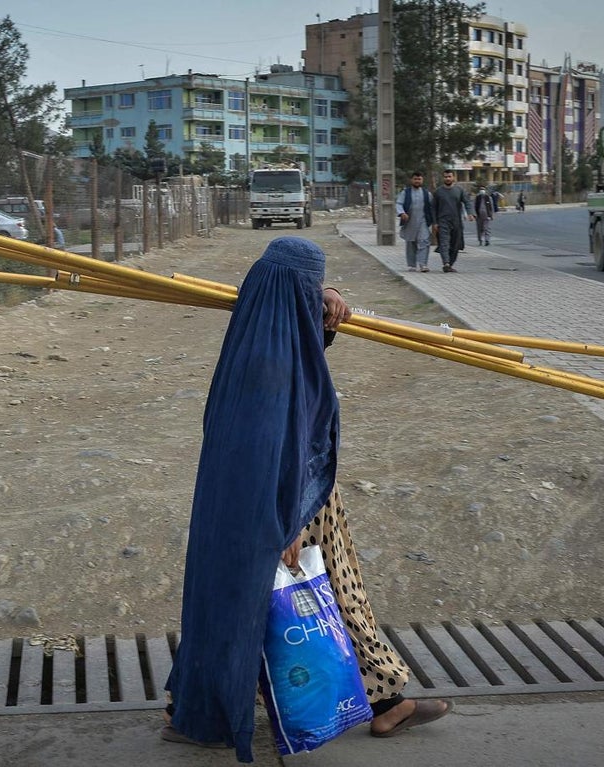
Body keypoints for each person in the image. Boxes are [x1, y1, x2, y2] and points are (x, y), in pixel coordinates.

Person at [162, 237, 452, 760]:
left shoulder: (266, 332)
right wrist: (287, 524)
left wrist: (325, 312)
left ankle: (190, 707)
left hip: (281, 496)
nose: (319, 297)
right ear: (296, 292)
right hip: (288, 502)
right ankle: (383, 699)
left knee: (246, 601)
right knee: (316, 598)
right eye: (311, 289)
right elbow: (272, 444)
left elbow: (303, 363)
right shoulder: (269, 369)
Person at [432, 170, 474, 273]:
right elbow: (433, 208)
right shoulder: (438, 192)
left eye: (449, 176)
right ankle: (446, 263)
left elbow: (467, 202)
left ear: (453, 177)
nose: (447, 178)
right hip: (443, 221)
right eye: (445, 177)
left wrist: (470, 213)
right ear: (443, 178)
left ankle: (450, 264)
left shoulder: (459, 190)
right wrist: (434, 222)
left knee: (455, 245)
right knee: (444, 243)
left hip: (456, 222)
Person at [396, 171, 434, 272]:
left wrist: (434, 221)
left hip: (423, 221)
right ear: (411, 180)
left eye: (419, 179)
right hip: (409, 221)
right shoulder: (405, 192)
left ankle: (423, 264)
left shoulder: (427, 194)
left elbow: (432, 207)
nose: (417, 181)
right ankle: (412, 265)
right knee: (411, 242)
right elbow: (399, 204)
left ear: (422, 180)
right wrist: (402, 213)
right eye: (415, 179)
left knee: (424, 241)